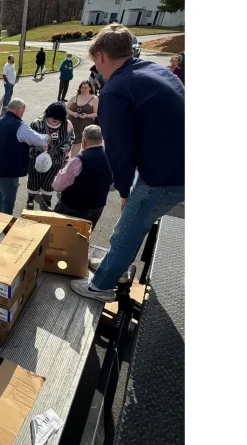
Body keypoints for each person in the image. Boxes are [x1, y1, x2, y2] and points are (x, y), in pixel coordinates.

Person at [71, 23, 184, 303]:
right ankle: (115, 266)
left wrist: (124, 190)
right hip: (174, 164)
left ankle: (102, 287)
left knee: (128, 228)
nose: (97, 71)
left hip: (164, 174)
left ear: (101, 56)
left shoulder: (115, 89)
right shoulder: (154, 70)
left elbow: (119, 150)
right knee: (131, 224)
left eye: (95, 64)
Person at [0, 98, 49, 215]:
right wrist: (47, 137)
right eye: (23, 111)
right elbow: (37, 139)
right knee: (8, 200)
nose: (23, 114)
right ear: (19, 110)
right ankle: (5, 225)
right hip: (10, 170)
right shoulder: (20, 126)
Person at [52, 125, 113, 229]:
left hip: (73, 207)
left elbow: (58, 186)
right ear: (101, 139)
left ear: (84, 140)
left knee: (61, 237)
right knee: (84, 237)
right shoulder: (111, 157)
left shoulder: (78, 160)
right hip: (97, 206)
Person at [25, 102, 75, 211]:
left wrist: (66, 147)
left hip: (56, 160)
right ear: (48, 114)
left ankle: (47, 202)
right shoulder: (37, 124)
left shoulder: (67, 124)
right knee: (34, 180)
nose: (55, 120)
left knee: (50, 182)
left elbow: (71, 138)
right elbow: (28, 142)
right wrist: (39, 148)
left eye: (58, 118)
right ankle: (30, 200)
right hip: (36, 160)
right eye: (53, 117)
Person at [66, 81, 98, 157]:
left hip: (85, 124)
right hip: (72, 123)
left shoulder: (94, 99)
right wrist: (73, 113)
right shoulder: (75, 97)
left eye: (86, 88)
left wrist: (86, 115)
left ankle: (72, 160)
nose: (83, 89)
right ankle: (64, 156)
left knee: (78, 142)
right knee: (67, 141)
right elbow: (67, 109)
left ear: (90, 88)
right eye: (82, 88)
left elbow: (96, 113)